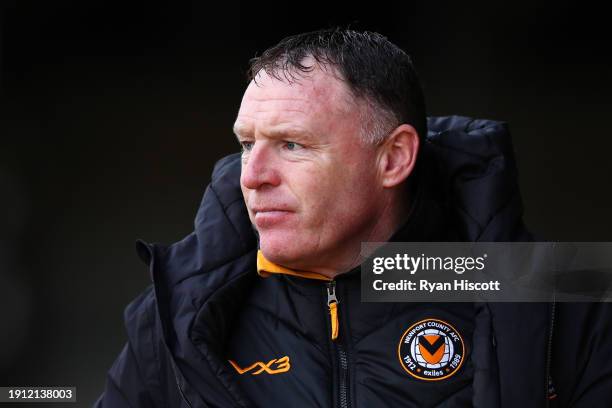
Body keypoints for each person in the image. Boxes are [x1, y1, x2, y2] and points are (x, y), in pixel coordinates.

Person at [95, 28, 612, 407]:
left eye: (292, 144)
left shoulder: (556, 298)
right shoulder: (178, 310)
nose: (250, 176)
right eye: (248, 143)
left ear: (393, 159)